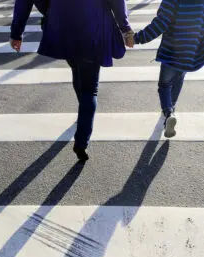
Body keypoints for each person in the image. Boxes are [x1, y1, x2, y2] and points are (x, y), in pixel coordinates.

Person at [10, 0, 134, 161]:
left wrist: (17, 31)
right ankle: (81, 141)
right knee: (90, 90)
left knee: (76, 70)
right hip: (93, 26)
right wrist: (125, 28)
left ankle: (83, 116)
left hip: (62, 25)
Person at [131, 0, 204, 138]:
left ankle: (169, 113)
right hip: (189, 53)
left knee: (164, 85)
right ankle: (172, 110)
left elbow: (160, 24)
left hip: (171, 52)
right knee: (179, 77)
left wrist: (137, 38)